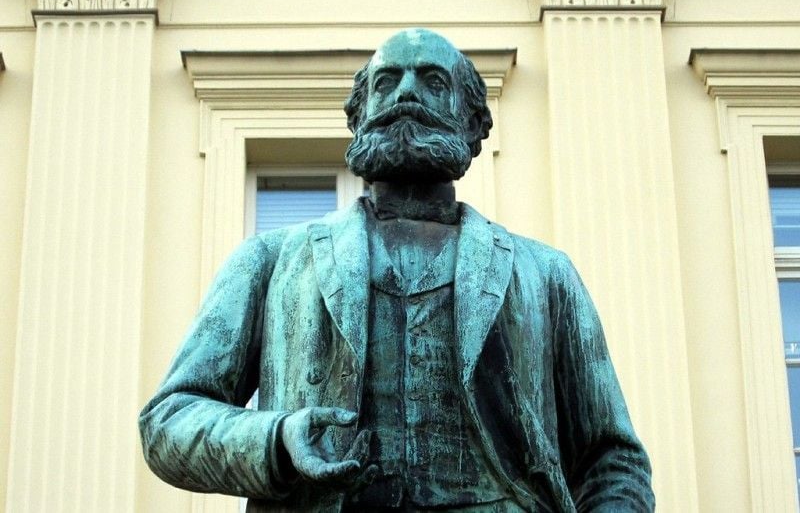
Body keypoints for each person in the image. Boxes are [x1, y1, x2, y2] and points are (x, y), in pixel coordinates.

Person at [139, 29, 654, 512]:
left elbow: (612, 460)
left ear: (474, 123)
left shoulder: (545, 276)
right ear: (358, 116)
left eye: (433, 82)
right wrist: (276, 440)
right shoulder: (270, 263)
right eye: (387, 82)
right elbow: (168, 422)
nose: (407, 94)